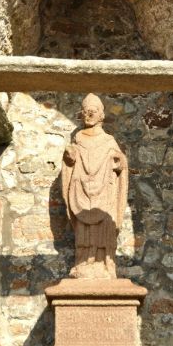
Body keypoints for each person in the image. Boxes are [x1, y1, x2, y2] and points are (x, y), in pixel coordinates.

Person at [62, 93, 128, 279]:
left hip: (104, 194)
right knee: (83, 229)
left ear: (102, 115)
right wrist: (69, 157)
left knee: (104, 226)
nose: (89, 114)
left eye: (94, 111)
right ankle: (83, 262)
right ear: (81, 115)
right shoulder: (78, 139)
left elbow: (121, 163)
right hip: (81, 192)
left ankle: (105, 264)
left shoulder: (108, 141)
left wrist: (119, 162)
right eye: (85, 111)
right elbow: (70, 161)